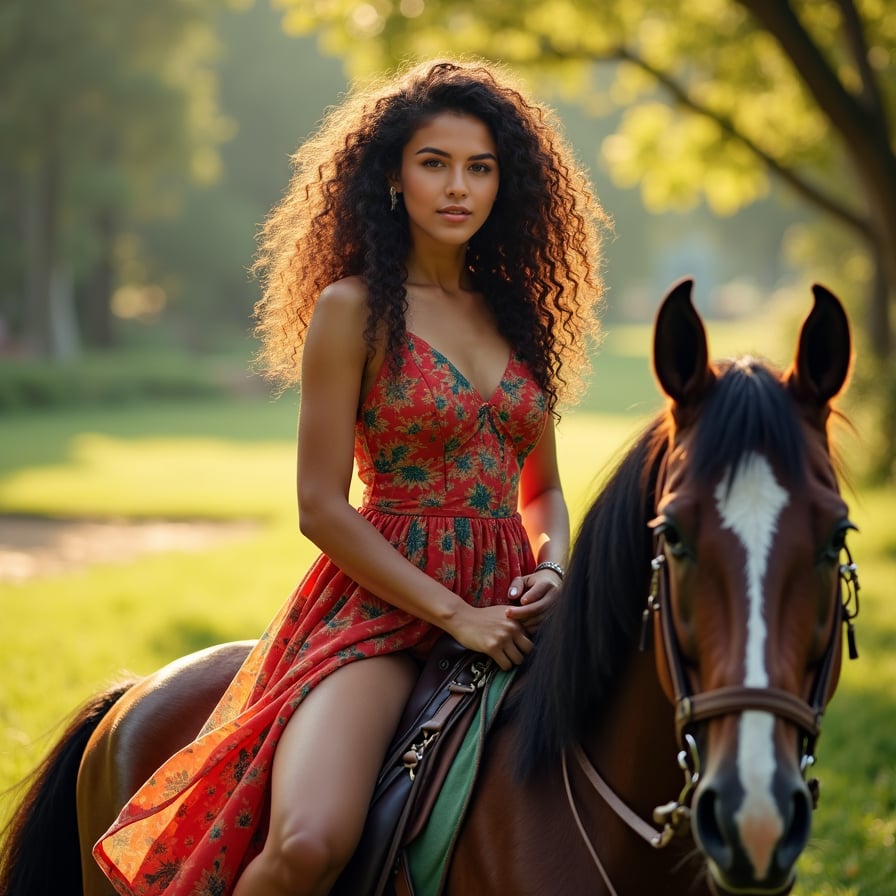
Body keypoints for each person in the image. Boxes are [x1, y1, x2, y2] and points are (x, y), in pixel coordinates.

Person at [94, 58, 607, 896]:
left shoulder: (519, 314)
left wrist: (552, 568)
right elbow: (319, 506)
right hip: (382, 612)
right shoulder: (352, 309)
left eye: (480, 168)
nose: (459, 187)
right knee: (309, 842)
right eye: (435, 163)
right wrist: (457, 616)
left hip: (515, 607)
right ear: (394, 177)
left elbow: (541, 489)